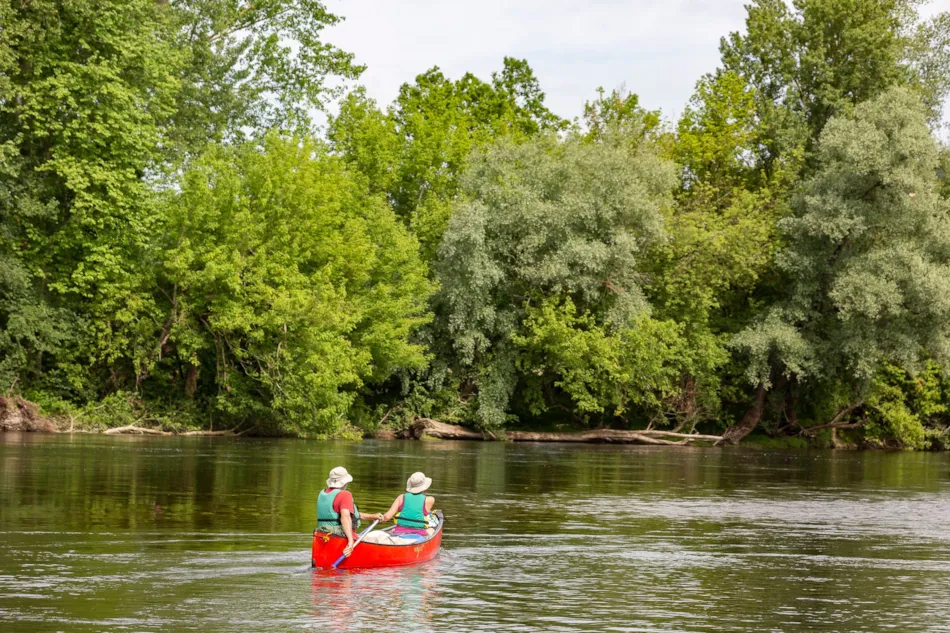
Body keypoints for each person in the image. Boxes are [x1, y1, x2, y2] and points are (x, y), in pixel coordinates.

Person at [316, 466, 382, 557]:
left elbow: (350, 515)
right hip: (339, 537)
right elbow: (345, 517)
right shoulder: (345, 495)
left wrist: (372, 516)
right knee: (378, 538)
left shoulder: (322, 493)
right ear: (345, 482)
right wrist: (350, 542)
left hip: (323, 536)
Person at [364, 471, 437, 545]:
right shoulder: (430, 500)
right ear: (424, 487)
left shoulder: (401, 497)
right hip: (418, 534)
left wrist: (379, 518)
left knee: (392, 530)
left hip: (398, 532)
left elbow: (386, 517)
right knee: (431, 530)